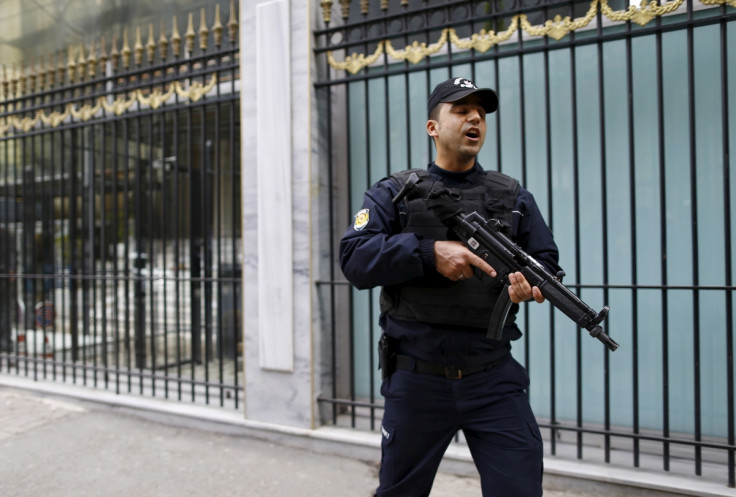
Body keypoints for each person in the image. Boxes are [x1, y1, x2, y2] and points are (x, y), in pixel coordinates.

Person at [339, 77, 562, 497]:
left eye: (479, 112)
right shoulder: (394, 193)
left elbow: (546, 263)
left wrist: (527, 285)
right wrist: (428, 253)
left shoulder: (512, 196)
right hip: (417, 378)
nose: (474, 117)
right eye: (460, 110)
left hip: (493, 377)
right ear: (433, 127)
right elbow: (354, 259)